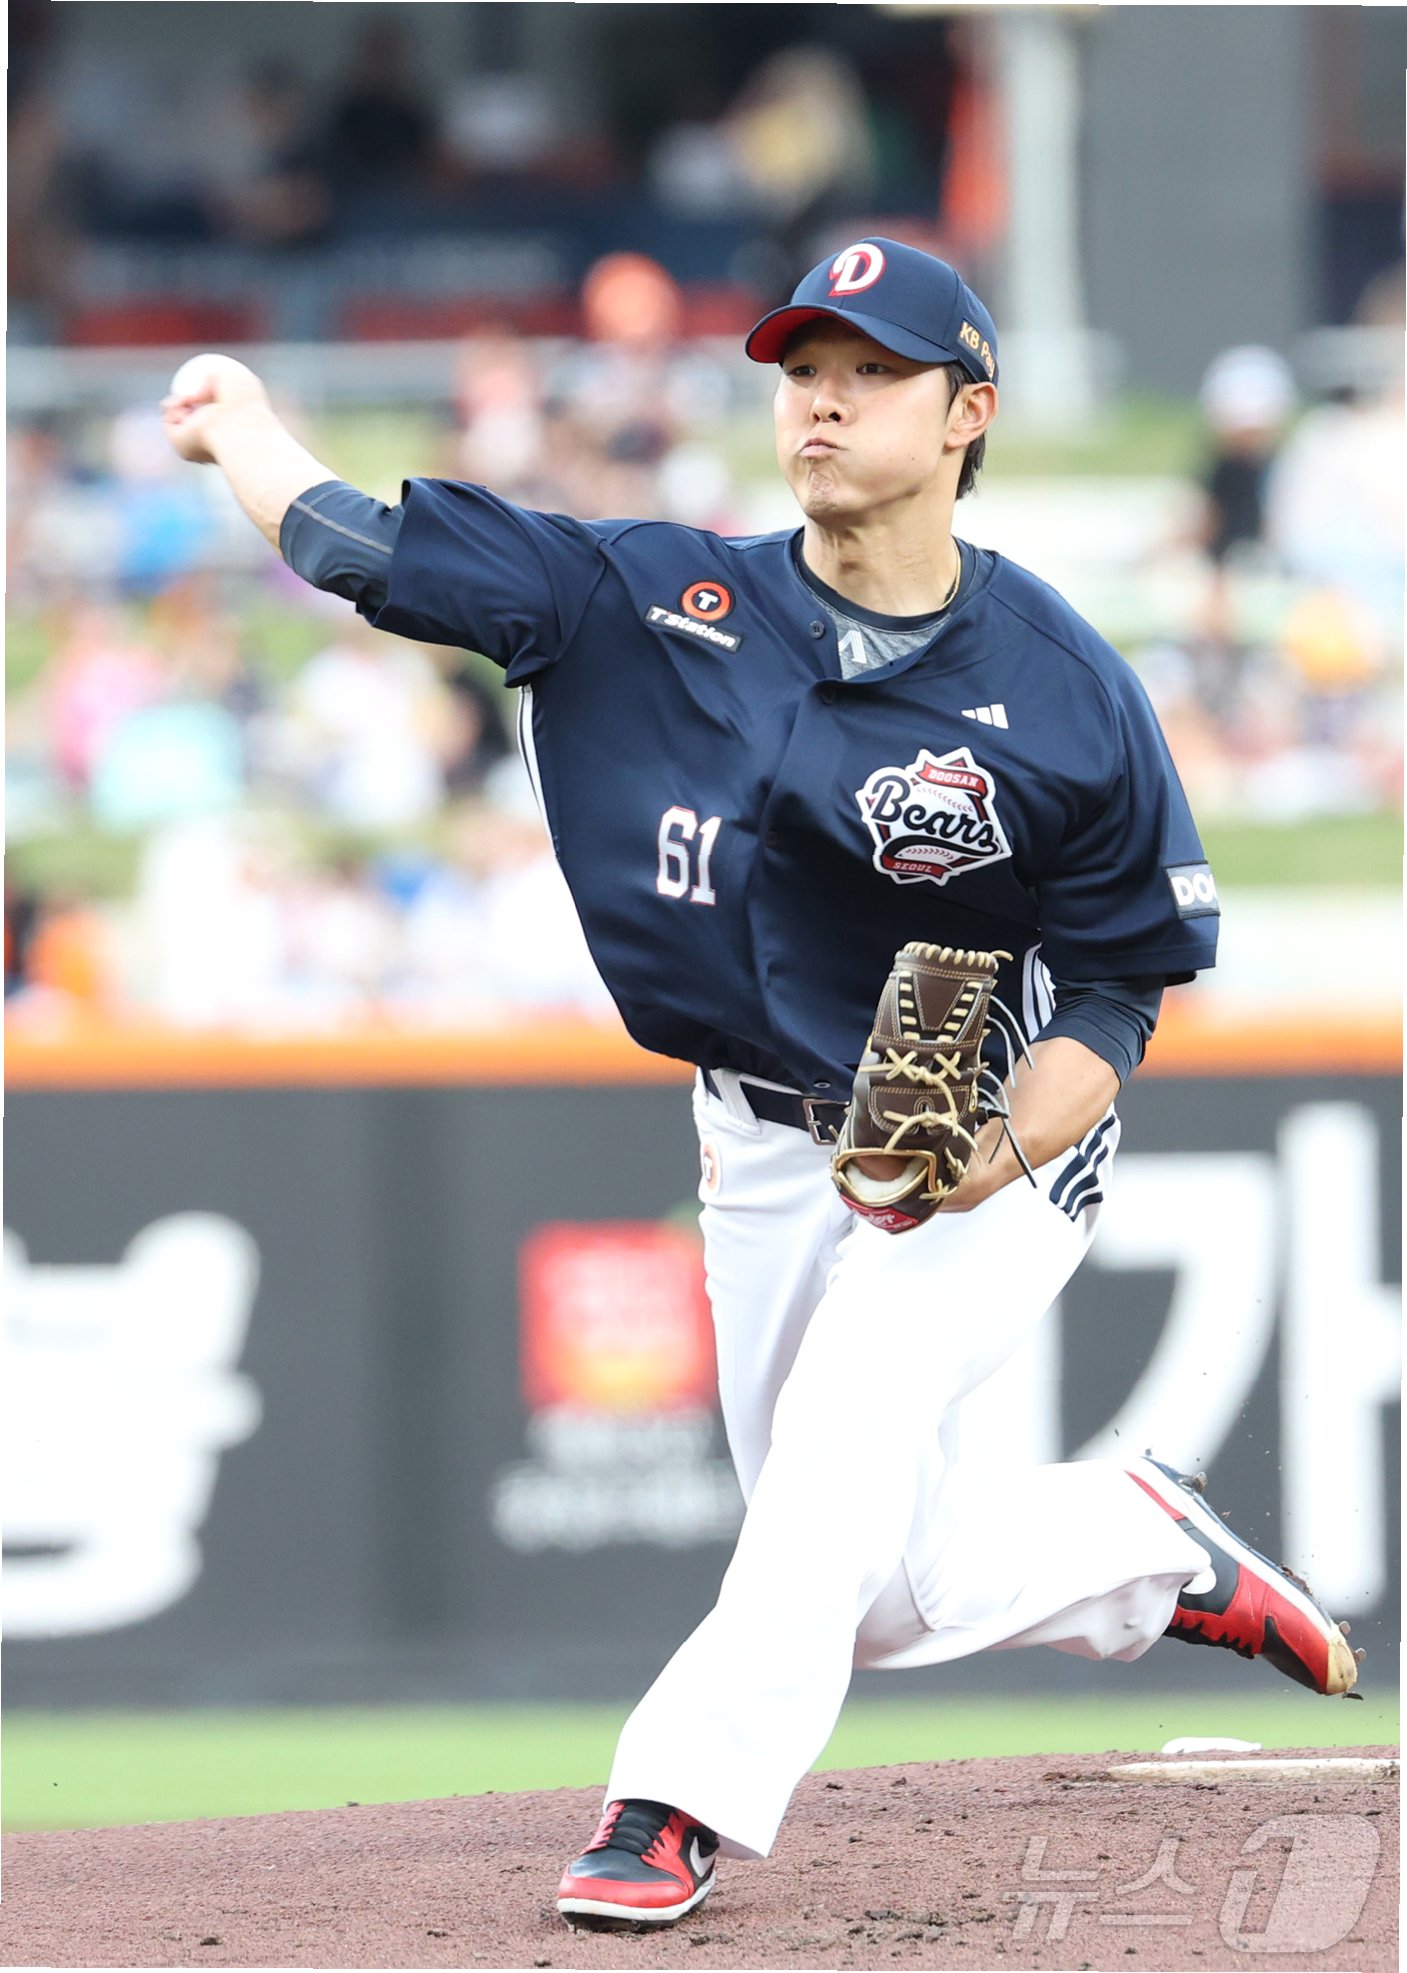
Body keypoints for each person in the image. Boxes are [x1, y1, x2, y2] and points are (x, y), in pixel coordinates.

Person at [161, 237, 1359, 1933]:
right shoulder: (644, 597)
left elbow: (1119, 987)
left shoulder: (1067, 686)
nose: (823, 401)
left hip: (990, 1133)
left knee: (846, 1432)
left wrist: (997, 1150)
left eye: (871, 372)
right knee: (871, 1572)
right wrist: (241, 426)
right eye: (804, 369)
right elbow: (362, 545)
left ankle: (670, 1802)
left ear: (969, 413)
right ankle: (1143, 1544)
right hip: (761, 1129)